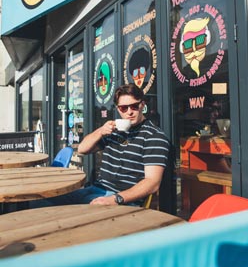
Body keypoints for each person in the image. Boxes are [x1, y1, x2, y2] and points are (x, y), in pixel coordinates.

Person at [31, 83, 171, 207]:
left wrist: (116, 199)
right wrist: (100, 131)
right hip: (96, 189)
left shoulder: (154, 137)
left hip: (121, 198)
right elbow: (82, 149)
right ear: (117, 109)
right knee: (40, 201)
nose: (129, 112)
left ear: (142, 105)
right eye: (123, 108)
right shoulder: (114, 130)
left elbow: (152, 183)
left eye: (134, 106)